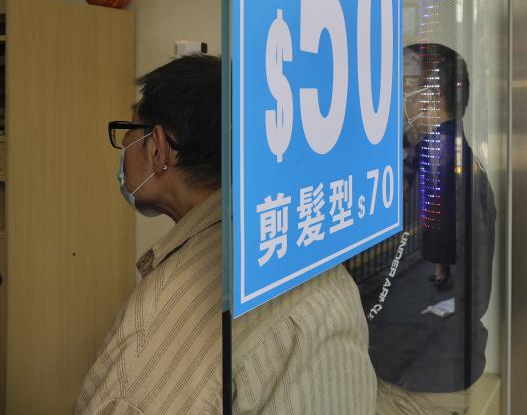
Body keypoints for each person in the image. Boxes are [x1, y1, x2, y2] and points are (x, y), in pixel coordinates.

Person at [77, 55, 376, 414]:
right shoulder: (303, 250)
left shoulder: (165, 312)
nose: (123, 146)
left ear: (158, 149)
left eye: (129, 130)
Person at [367, 43, 496, 411]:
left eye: (406, 88)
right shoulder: (458, 156)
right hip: (451, 360)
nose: (400, 100)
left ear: (431, 98)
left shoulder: (437, 166)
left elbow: (413, 278)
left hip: (423, 377)